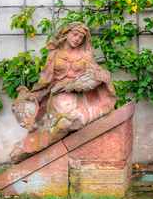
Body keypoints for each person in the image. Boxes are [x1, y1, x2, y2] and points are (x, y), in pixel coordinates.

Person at [10, 22, 117, 163]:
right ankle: (30, 148)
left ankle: (31, 149)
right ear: (66, 34)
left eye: (81, 37)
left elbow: (98, 75)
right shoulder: (55, 53)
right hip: (58, 96)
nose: (77, 39)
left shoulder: (85, 56)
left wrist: (75, 84)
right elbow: (45, 79)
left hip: (79, 97)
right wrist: (32, 99)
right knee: (62, 124)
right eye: (74, 34)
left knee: (67, 123)